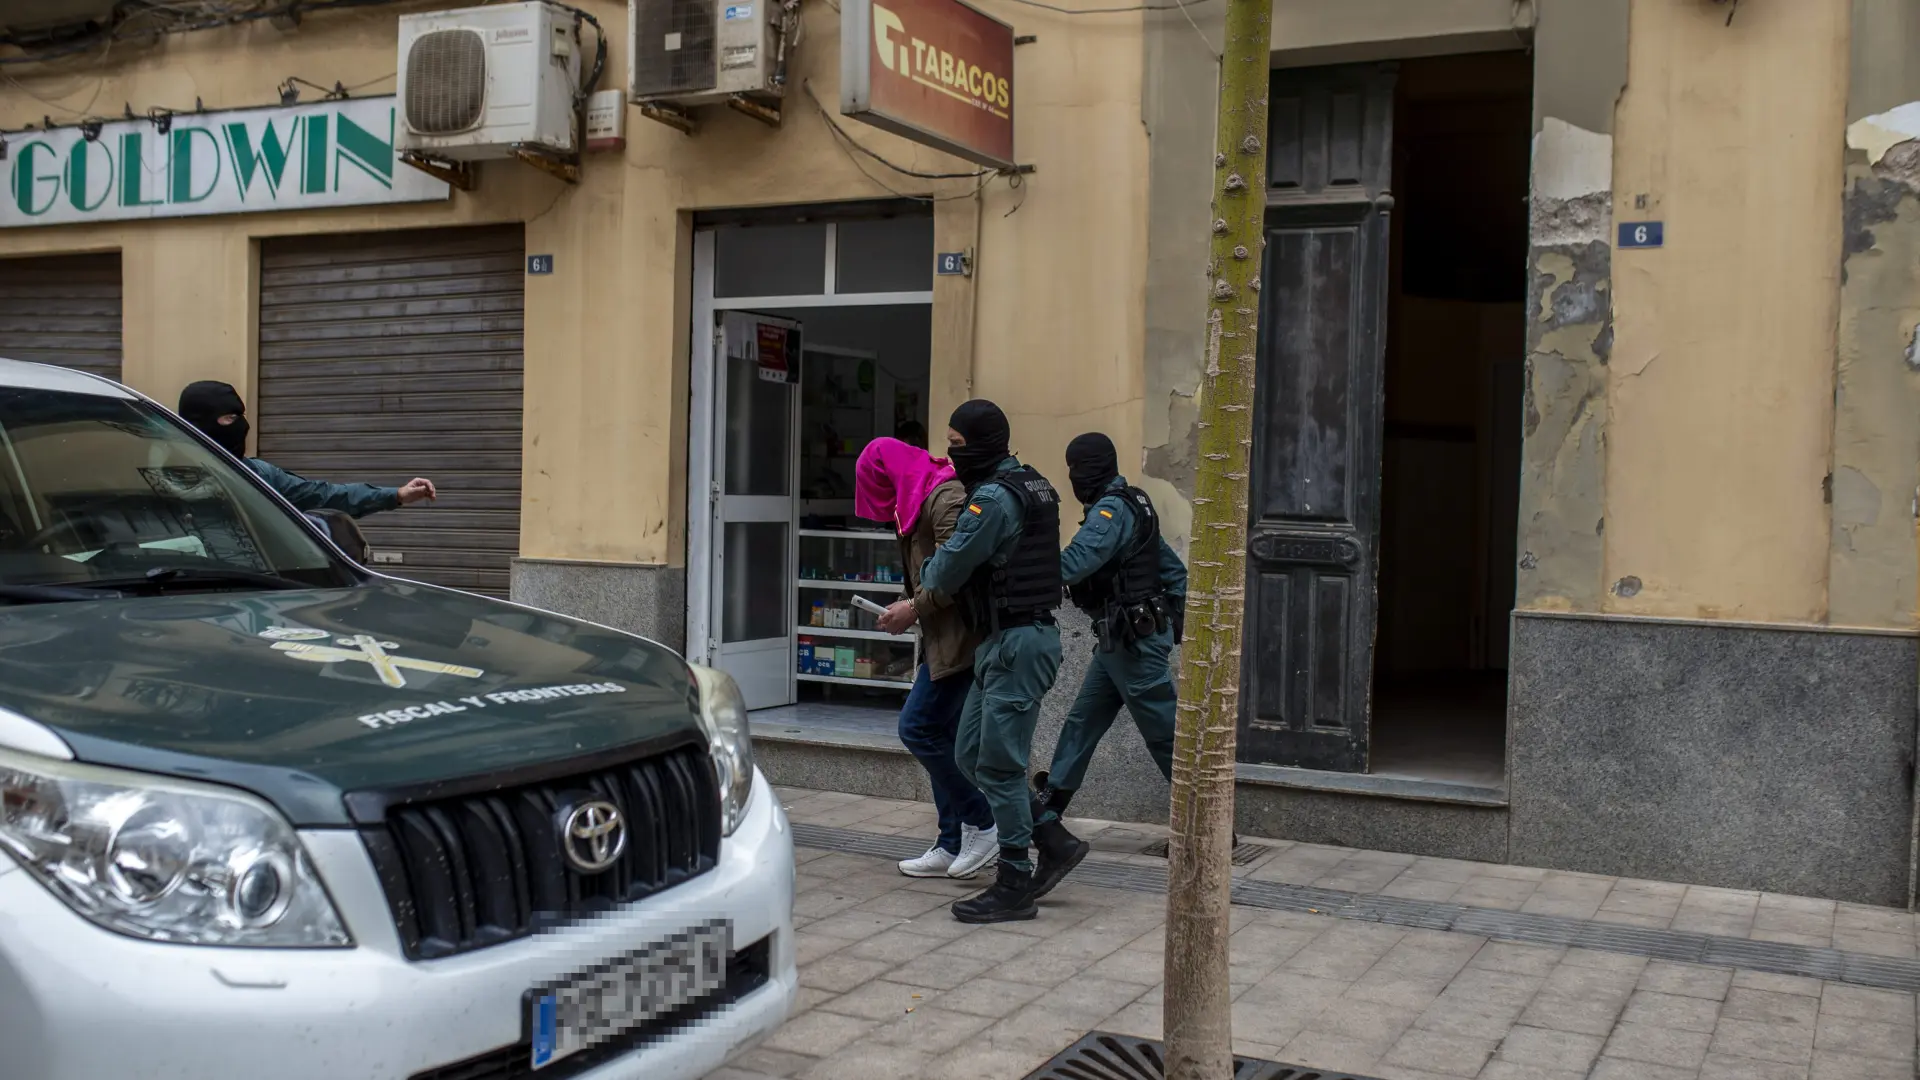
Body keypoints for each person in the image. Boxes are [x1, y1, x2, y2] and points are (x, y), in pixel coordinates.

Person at [919, 400, 1075, 923]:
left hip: (1018, 643)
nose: (950, 455)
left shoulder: (994, 500)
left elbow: (942, 575)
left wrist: (935, 562)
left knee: (1001, 766)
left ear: (984, 443)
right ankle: (1050, 835)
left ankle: (1014, 880)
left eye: (958, 447)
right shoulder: (1033, 483)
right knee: (969, 754)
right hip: (1001, 642)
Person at [1027, 432, 1189, 898]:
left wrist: (1025, 570)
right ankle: (1051, 810)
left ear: (1091, 467)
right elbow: (1172, 571)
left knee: (1164, 733)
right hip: (1121, 641)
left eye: (1076, 468)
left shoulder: (1111, 510)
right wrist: (1169, 623)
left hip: (1132, 645)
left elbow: (1077, 562)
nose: (1073, 477)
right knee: (1081, 722)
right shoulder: (1135, 500)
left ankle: (1207, 822)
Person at [855, 436, 1000, 880]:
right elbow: (930, 572)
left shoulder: (944, 495)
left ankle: (983, 822)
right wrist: (907, 605)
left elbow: (958, 570)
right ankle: (952, 841)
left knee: (916, 727)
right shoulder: (916, 496)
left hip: (961, 641)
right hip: (942, 639)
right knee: (945, 737)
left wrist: (913, 608)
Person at [176, 381, 436, 518]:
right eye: (230, 418)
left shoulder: (257, 475)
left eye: (240, 416)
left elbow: (325, 496)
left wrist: (396, 495)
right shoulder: (158, 474)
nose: (242, 425)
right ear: (198, 424)